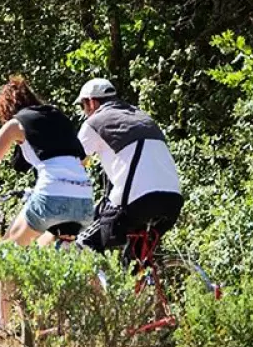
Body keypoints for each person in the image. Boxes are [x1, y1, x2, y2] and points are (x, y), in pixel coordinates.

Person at [0, 75, 94, 246]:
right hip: (85, 202)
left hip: (51, 197)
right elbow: (82, 160)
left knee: (6, 253)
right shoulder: (59, 117)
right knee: (42, 253)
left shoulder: (16, 124)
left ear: (6, 109)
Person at [73, 77, 183, 253]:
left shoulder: (94, 122)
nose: (84, 112)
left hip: (137, 201)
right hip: (172, 201)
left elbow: (72, 164)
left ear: (92, 102)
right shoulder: (142, 117)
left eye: (83, 106)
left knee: (83, 244)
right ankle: (146, 271)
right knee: (134, 258)